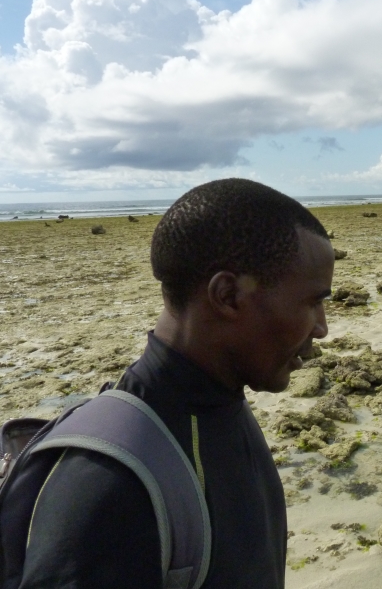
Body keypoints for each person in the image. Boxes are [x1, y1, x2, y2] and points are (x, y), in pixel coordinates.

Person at [18, 178, 334, 588]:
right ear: (227, 295)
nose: (322, 328)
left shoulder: (223, 402)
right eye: (313, 302)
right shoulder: (108, 486)